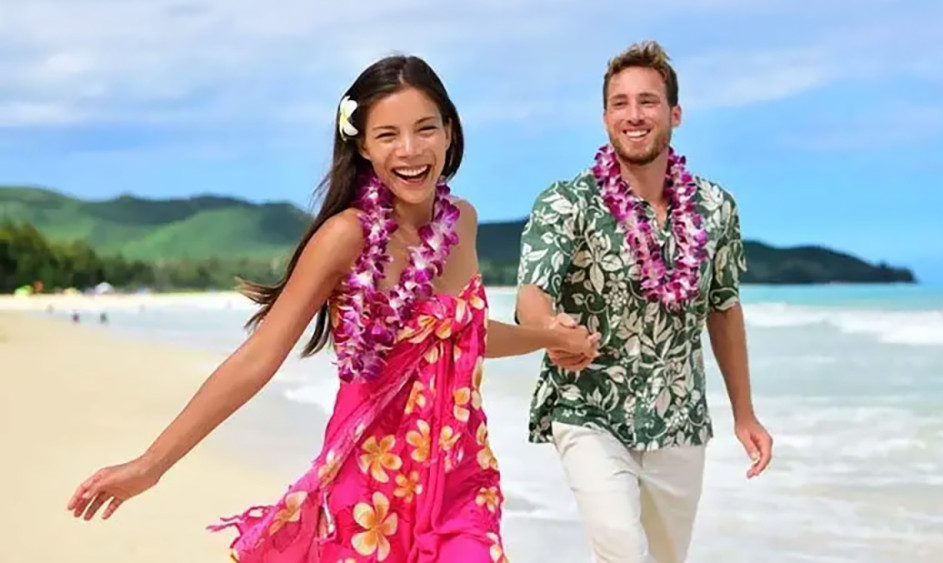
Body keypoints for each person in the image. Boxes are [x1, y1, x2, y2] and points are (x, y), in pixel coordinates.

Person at [66, 54, 599, 562]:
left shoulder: (462, 222)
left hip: (461, 481)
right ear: (363, 146)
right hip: (367, 492)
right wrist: (151, 465)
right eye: (388, 135)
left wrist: (550, 338)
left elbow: (466, 333)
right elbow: (259, 357)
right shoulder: (345, 237)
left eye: (426, 128)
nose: (411, 150)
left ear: (450, 132)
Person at [515, 40, 774, 563]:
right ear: (606, 117)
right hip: (590, 409)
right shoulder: (567, 202)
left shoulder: (716, 207)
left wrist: (744, 413)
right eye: (620, 103)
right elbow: (531, 296)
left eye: (648, 101)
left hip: (679, 417)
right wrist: (551, 334)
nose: (634, 115)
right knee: (621, 550)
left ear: (674, 113)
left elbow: (723, 307)